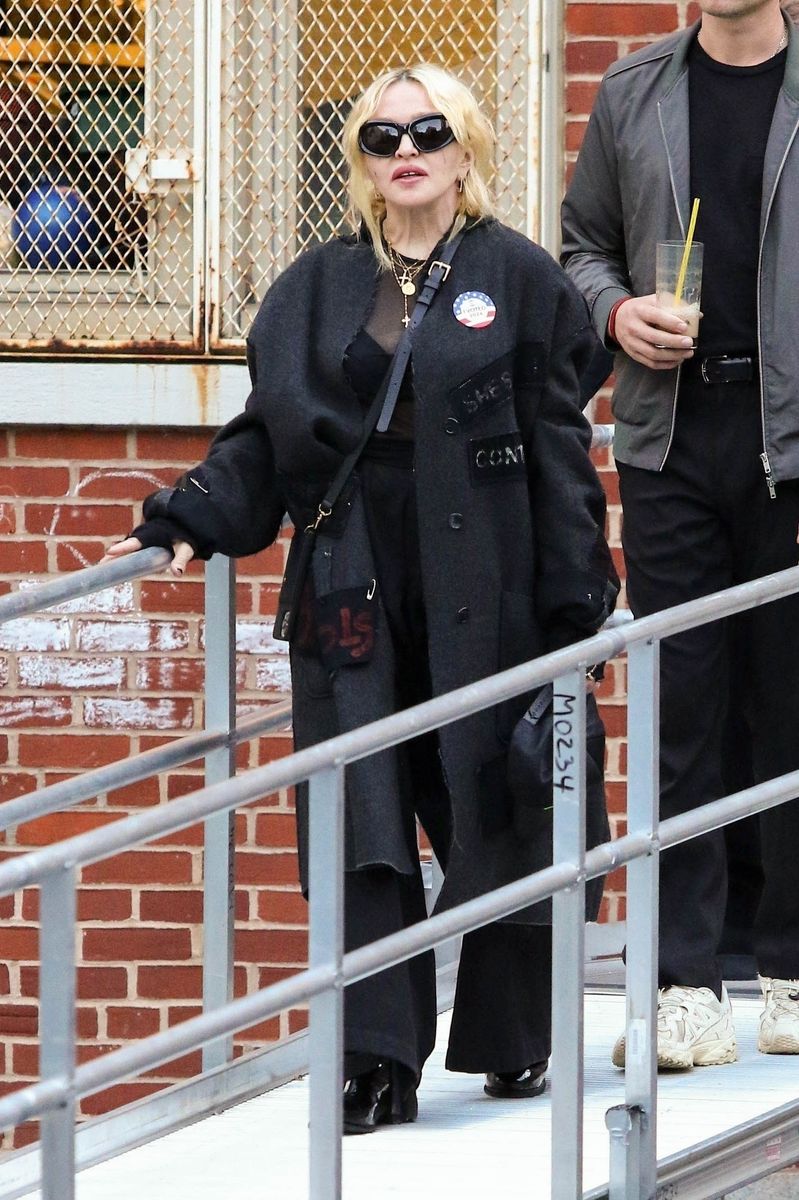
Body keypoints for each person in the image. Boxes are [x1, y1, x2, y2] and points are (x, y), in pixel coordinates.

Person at [105, 63, 618, 1129]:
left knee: (510, 796)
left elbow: (562, 450)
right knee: (362, 805)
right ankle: (376, 1057)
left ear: (466, 149)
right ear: (361, 161)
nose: (406, 152)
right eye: (382, 139)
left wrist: (578, 605)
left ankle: (514, 1038)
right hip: (353, 581)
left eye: (428, 131)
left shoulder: (520, 280)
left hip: (494, 576)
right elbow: (269, 437)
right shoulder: (316, 286)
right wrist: (194, 513)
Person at [561, 0, 799, 1070]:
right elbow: (580, 250)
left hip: (790, 446)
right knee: (681, 712)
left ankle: (791, 975)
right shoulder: (632, 91)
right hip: (670, 444)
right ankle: (682, 986)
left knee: (793, 705)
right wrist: (618, 315)